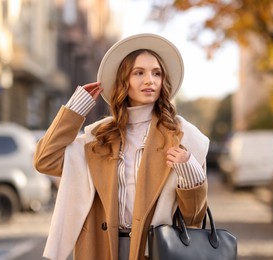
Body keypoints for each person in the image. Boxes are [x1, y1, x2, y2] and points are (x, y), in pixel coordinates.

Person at [33, 33, 210, 260]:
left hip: (155, 251)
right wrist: (76, 110)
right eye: (139, 73)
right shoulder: (98, 137)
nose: (150, 80)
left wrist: (188, 171)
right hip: (100, 249)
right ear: (123, 81)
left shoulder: (184, 137)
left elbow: (193, 217)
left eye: (157, 73)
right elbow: (44, 159)